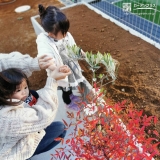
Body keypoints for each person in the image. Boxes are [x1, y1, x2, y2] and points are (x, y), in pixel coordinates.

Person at [0, 51, 71, 159]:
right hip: (8, 153)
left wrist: (33, 63)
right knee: (60, 129)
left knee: (33, 98)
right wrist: (52, 80)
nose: (24, 92)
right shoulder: (7, 119)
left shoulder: (13, 100)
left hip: (13, 136)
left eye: (25, 87)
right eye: (18, 90)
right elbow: (44, 115)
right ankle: (23, 156)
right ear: (5, 93)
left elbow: (2, 62)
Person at [36, 4, 92, 111]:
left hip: (70, 65)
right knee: (65, 88)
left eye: (66, 30)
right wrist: (56, 69)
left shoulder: (67, 36)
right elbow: (46, 59)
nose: (66, 34)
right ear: (51, 34)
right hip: (60, 70)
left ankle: (71, 95)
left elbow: (74, 47)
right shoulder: (44, 43)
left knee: (70, 84)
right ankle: (68, 102)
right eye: (63, 32)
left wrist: (84, 55)